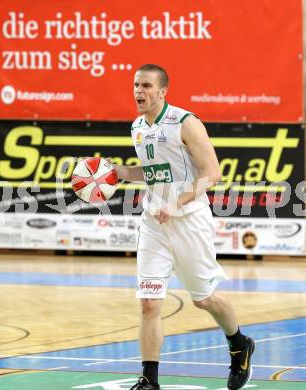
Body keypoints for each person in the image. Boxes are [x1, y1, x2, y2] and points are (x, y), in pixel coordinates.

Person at [114, 64, 255, 390]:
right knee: (149, 302)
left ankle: (239, 343)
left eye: (146, 85)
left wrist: (177, 203)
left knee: (204, 298)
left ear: (162, 91)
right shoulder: (137, 127)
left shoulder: (185, 122)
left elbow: (212, 172)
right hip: (153, 223)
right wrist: (119, 172)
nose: (139, 91)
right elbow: (151, 172)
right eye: (136, 84)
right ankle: (149, 380)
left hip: (189, 221)